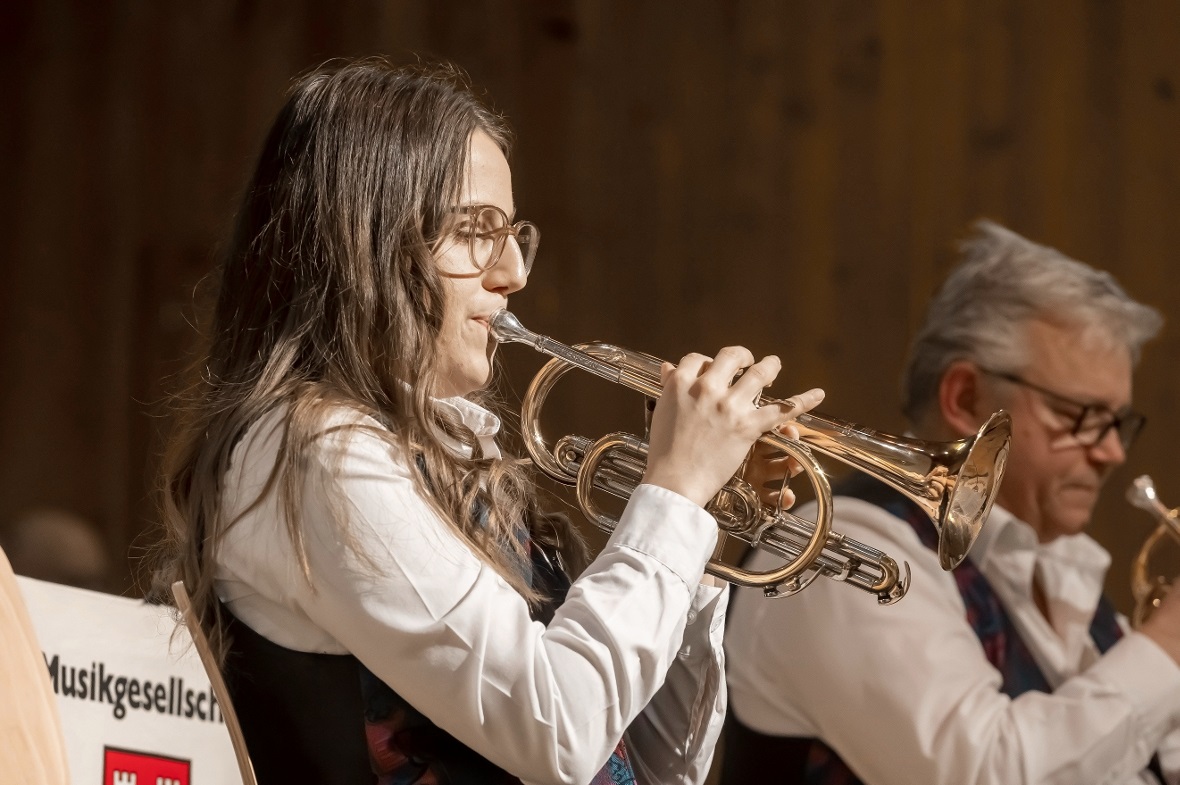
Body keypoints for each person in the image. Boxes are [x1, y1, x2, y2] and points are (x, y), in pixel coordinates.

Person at [149, 58, 823, 785]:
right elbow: (558, 730)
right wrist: (673, 496)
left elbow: (644, 766)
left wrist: (698, 536)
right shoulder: (319, 451)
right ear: (369, 238)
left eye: (514, 233)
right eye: (477, 230)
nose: (514, 272)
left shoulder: (440, 448)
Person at [721, 220, 1180, 785]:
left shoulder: (1060, 565)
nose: (1111, 452)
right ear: (965, 398)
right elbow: (987, 772)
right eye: (1080, 416)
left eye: (1117, 422)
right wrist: (1171, 640)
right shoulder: (836, 552)